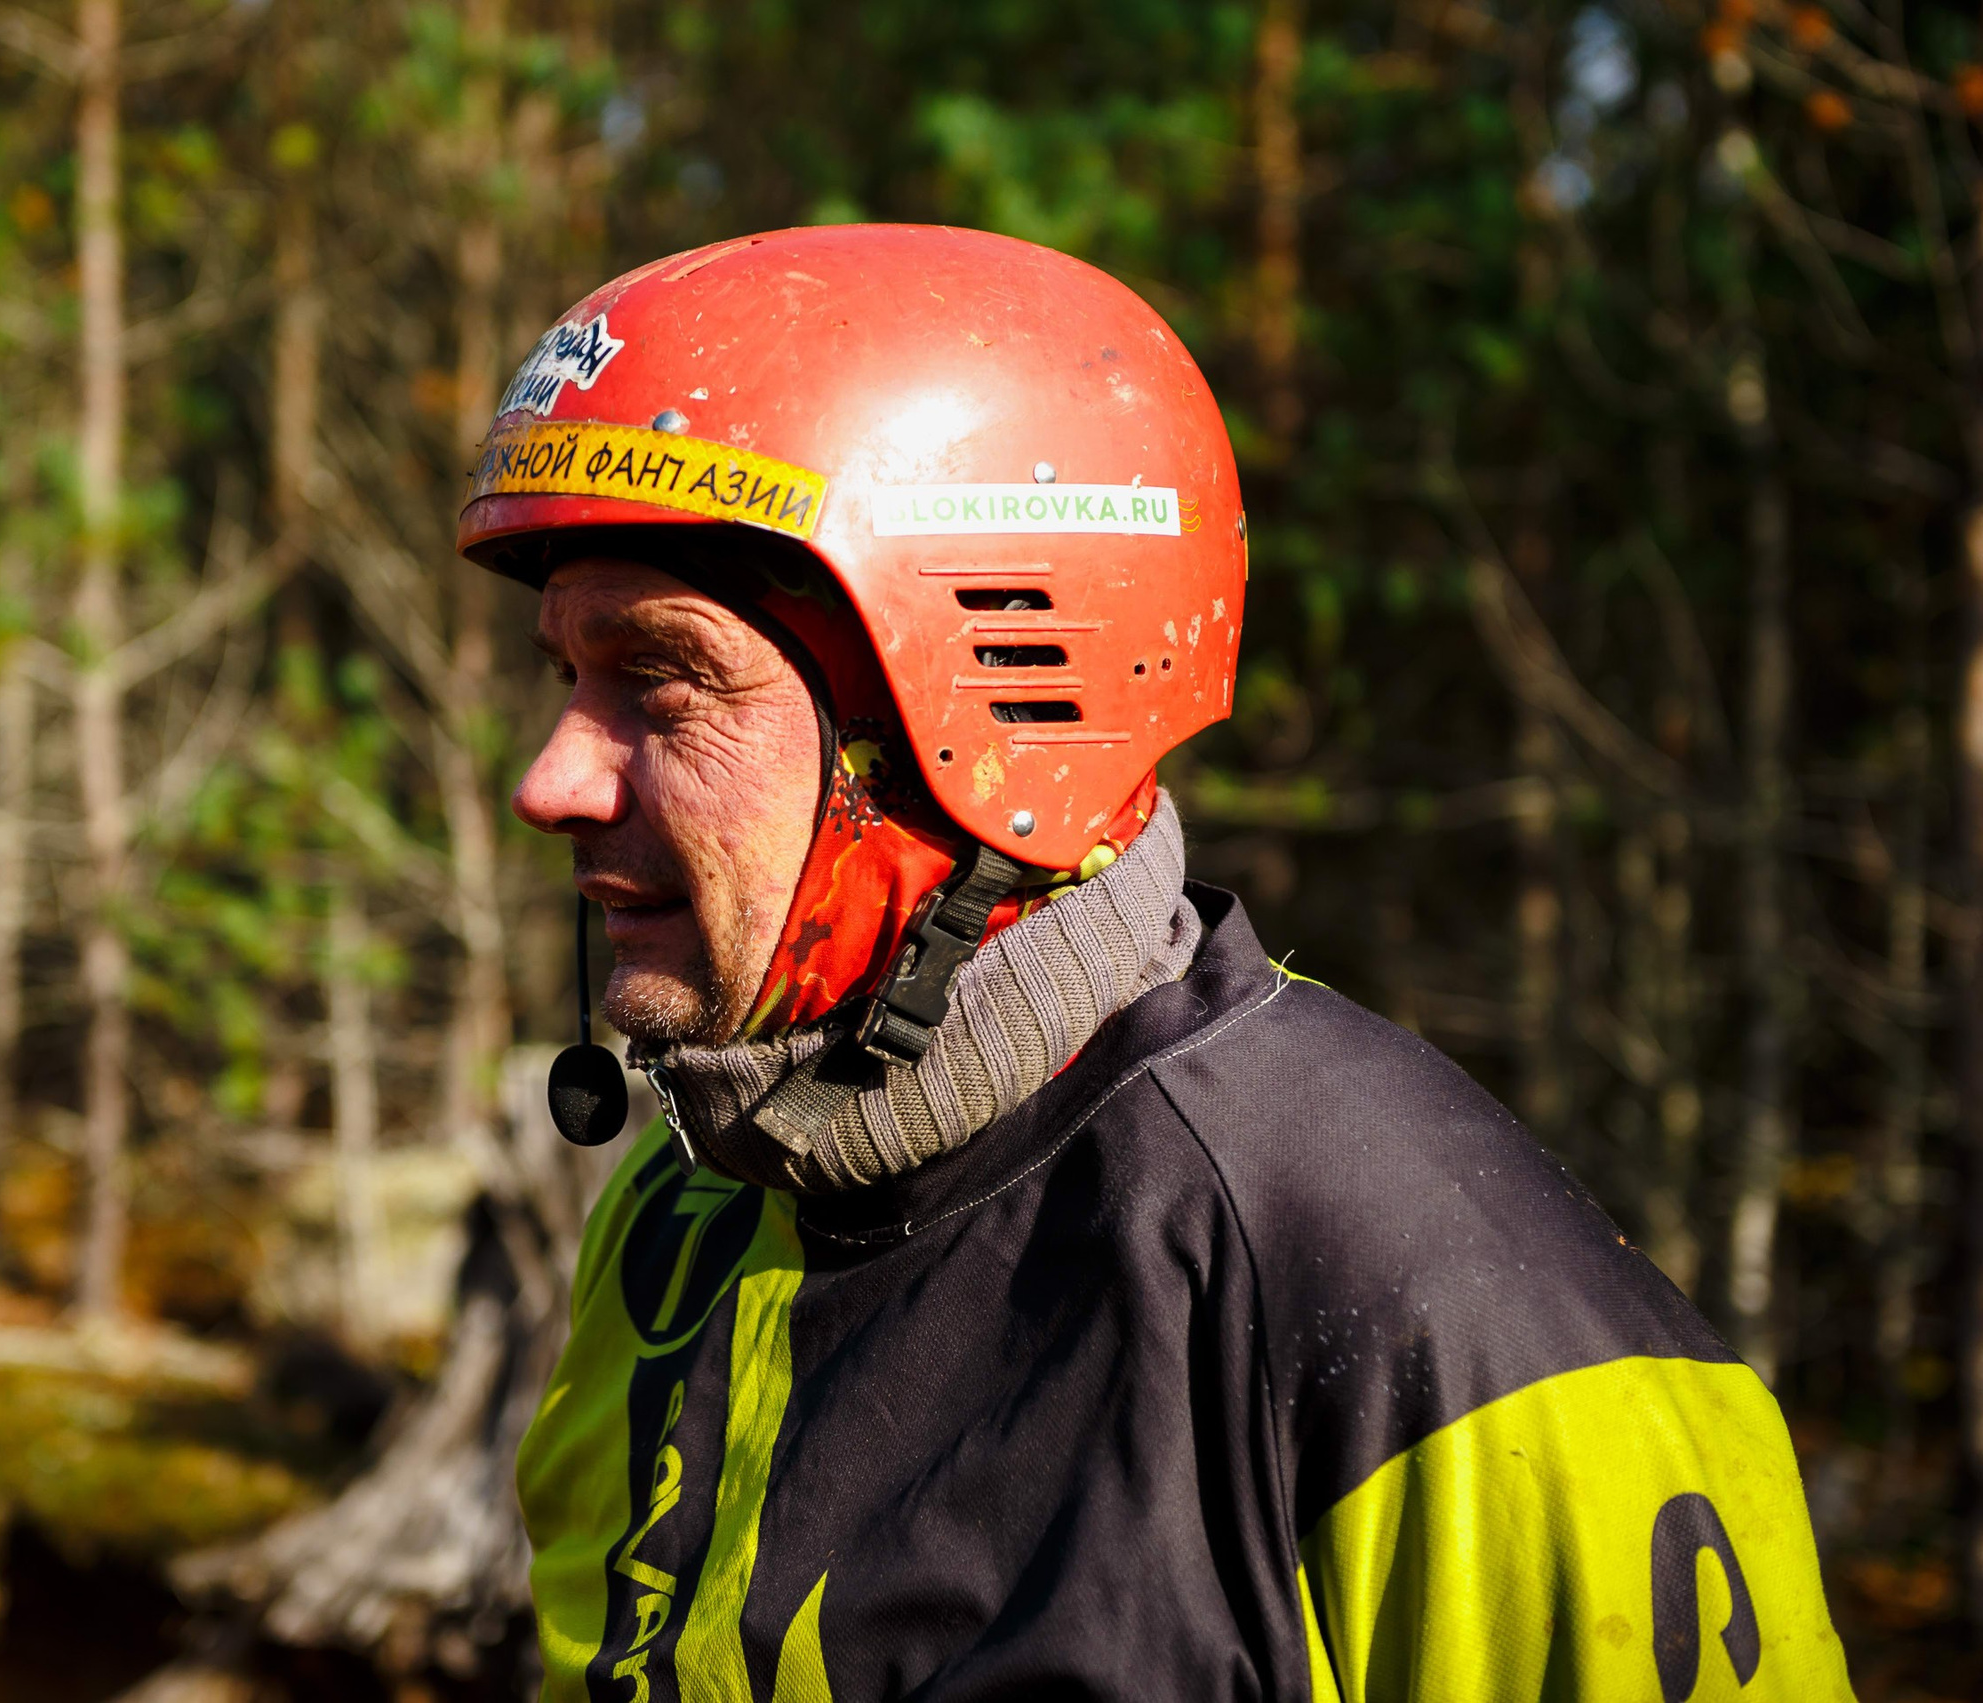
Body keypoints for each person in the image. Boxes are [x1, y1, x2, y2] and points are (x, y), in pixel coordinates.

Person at [461, 224, 1851, 1702]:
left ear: (979, 723)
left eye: (662, 678)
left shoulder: (1424, 1291)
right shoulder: (686, 1216)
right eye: (567, 677)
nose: (550, 779)